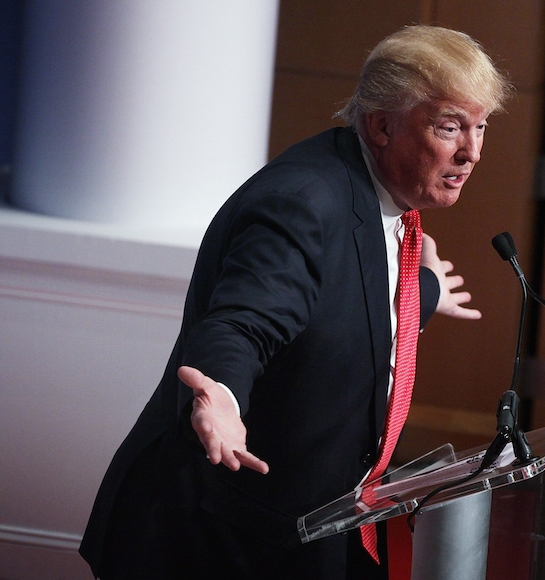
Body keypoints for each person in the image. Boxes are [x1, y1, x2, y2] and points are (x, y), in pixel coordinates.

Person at [79, 25, 512, 580]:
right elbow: (244, 322)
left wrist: (423, 292)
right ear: (381, 126)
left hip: (322, 521)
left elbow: (346, 301)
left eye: (480, 128)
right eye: (449, 127)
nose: (471, 152)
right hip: (219, 535)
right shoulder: (301, 204)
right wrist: (224, 398)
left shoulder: (379, 197)